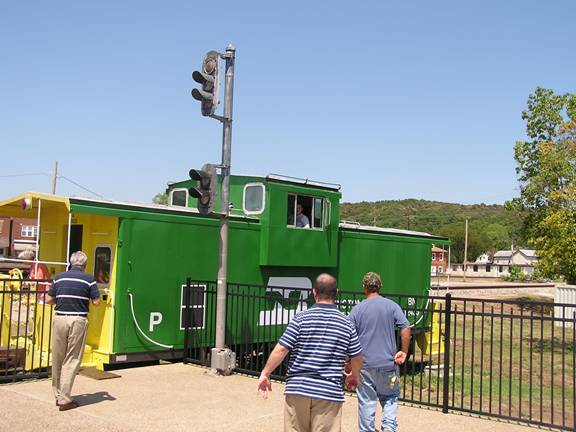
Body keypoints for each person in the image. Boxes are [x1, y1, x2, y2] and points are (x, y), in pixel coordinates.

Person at [257, 273, 363, 432]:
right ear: (337, 293)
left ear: (314, 293)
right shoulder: (346, 323)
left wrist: (265, 373)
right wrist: (355, 376)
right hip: (328, 391)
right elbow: (356, 356)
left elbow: (282, 348)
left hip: (298, 387)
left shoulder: (300, 319)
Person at [348, 272, 411, 432]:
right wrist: (403, 351)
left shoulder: (357, 310)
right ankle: (389, 428)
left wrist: (348, 361)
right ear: (380, 286)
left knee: (366, 402)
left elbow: (348, 336)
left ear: (364, 288)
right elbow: (405, 327)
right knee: (390, 397)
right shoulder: (391, 306)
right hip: (388, 364)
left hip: (365, 365)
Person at [45, 251, 100, 411]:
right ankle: (65, 399)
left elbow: (48, 299)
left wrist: (63, 298)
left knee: (58, 357)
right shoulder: (89, 279)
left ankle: (57, 394)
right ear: (84, 264)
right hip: (78, 320)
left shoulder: (59, 277)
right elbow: (96, 302)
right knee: (72, 358)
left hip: (60, 318)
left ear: (71, 262)